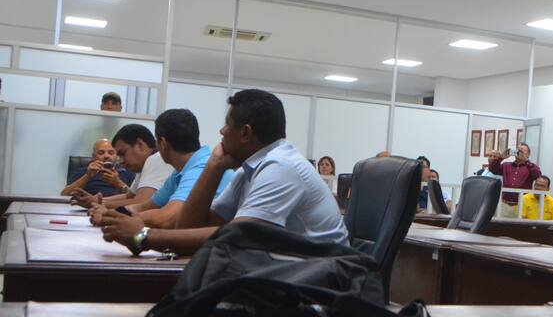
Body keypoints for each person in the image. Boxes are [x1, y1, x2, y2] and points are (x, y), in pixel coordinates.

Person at [100, 89, 349, 255]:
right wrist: (214, 166)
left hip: (321, 281)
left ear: (245, 133)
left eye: (227, 124)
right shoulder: (248, 169)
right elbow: (188, 226)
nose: (221, 131)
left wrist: (144, 236)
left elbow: (240, 235)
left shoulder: (282, 167)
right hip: (288, 272)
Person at [88, 110, 234, 229]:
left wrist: (112, 217)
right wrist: (111, 213)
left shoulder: (202, 167)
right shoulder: (180, 171)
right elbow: (145, 206)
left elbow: (168, 218)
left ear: (162, 143)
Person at [72, 124, 172, 209]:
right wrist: (96, 200)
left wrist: (98, 204)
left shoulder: (156, 159)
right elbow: (129, 196)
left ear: (140, 145)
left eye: (123, 153)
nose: (121, 161)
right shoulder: (144, 164)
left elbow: (141, 203)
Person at [60, 138, 134, 197]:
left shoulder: (126, 172)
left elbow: (136, 198)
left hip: (118, 208)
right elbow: (64, 194)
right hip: (89, 207)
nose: (106, 156)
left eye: (111, 153)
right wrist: (87, 176)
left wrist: (118, 183)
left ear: (116, 155)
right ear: (93, 156)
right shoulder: (83, 171)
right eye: (101, 153)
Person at [487, 143, 541, 218]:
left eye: (522, 151)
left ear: (528, 154)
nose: (520, 152)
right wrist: (501, 158)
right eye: (518, 150)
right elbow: (492, 169)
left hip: (522, 205)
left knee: (520, 225)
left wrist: (526, 161)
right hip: (505, 205)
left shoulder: (531, 167)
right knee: (501, 224)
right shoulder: (506, 165)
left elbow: (537, 175)